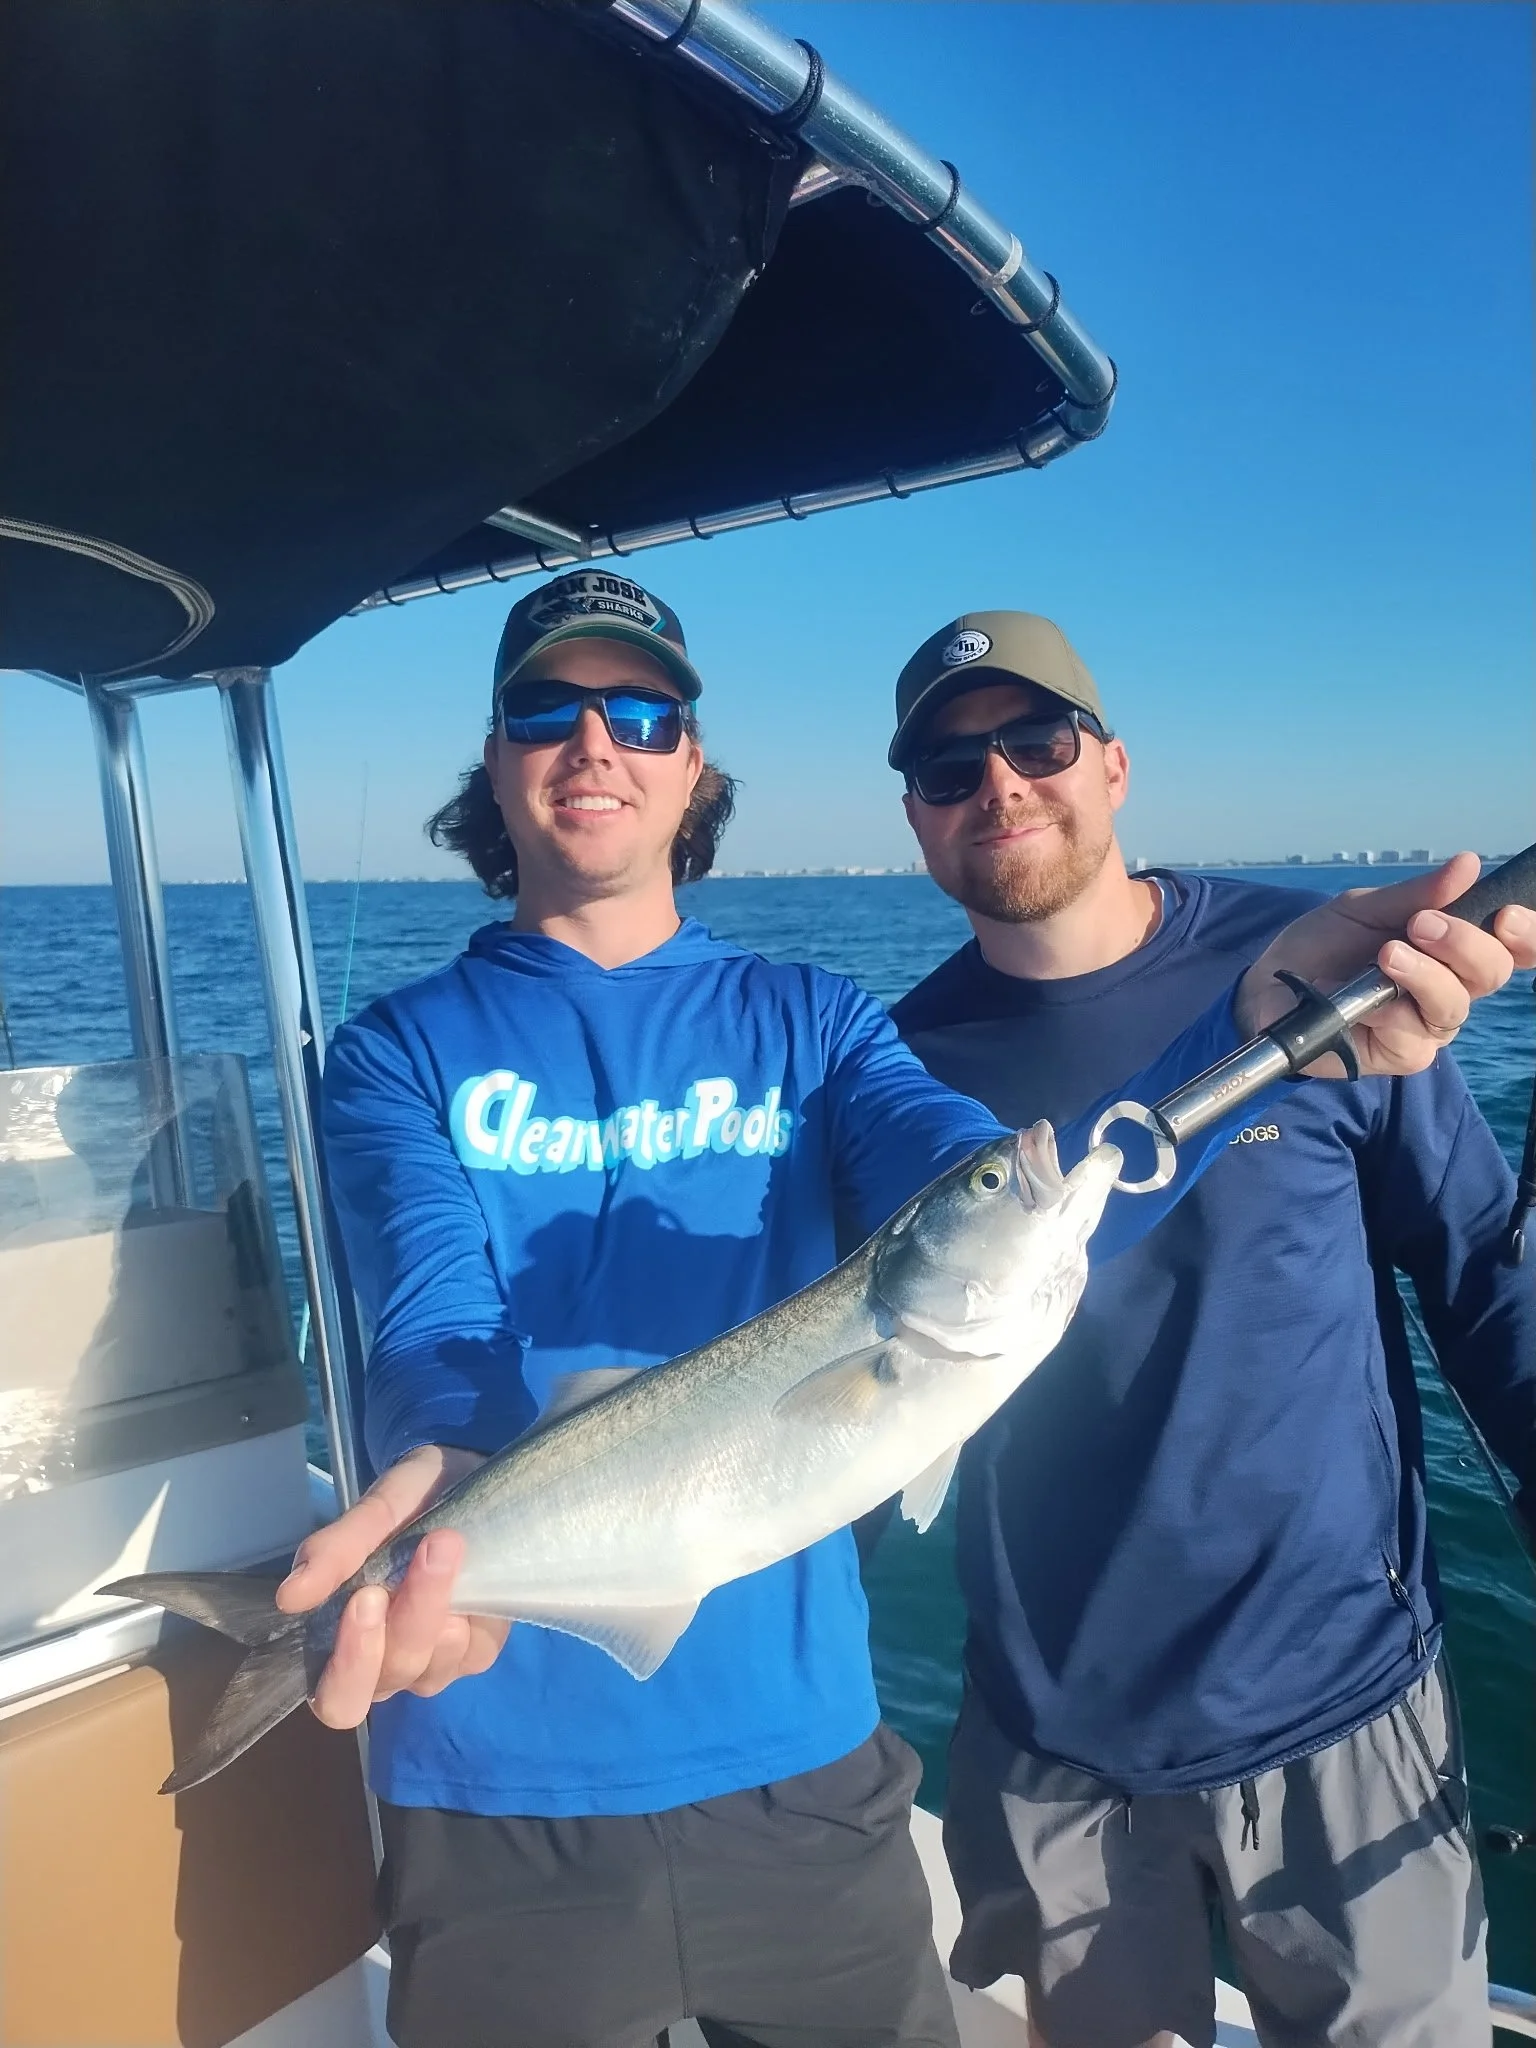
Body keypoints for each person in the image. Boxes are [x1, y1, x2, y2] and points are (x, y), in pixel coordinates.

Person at [282, 571, 1527, 2048]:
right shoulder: (388, 1054)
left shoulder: (820, 1021)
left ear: (696, 766)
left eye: (643, 712)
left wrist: (1244, 1037)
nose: (595, 742)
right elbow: (432, 1310)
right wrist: (447, 1463)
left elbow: (966, 1160)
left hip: (814, 1774)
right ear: (494, 761)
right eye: (546, 712)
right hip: (496, 1774)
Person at [885, 609, 1536, 2048]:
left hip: (1341, 1707)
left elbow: (1483, 1262)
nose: (998, 782)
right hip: (1053, 1747)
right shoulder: (898, 1069)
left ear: (1112, 765)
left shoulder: (1314, 977)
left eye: (1036, 740)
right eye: (947, 766)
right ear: (919, 819)